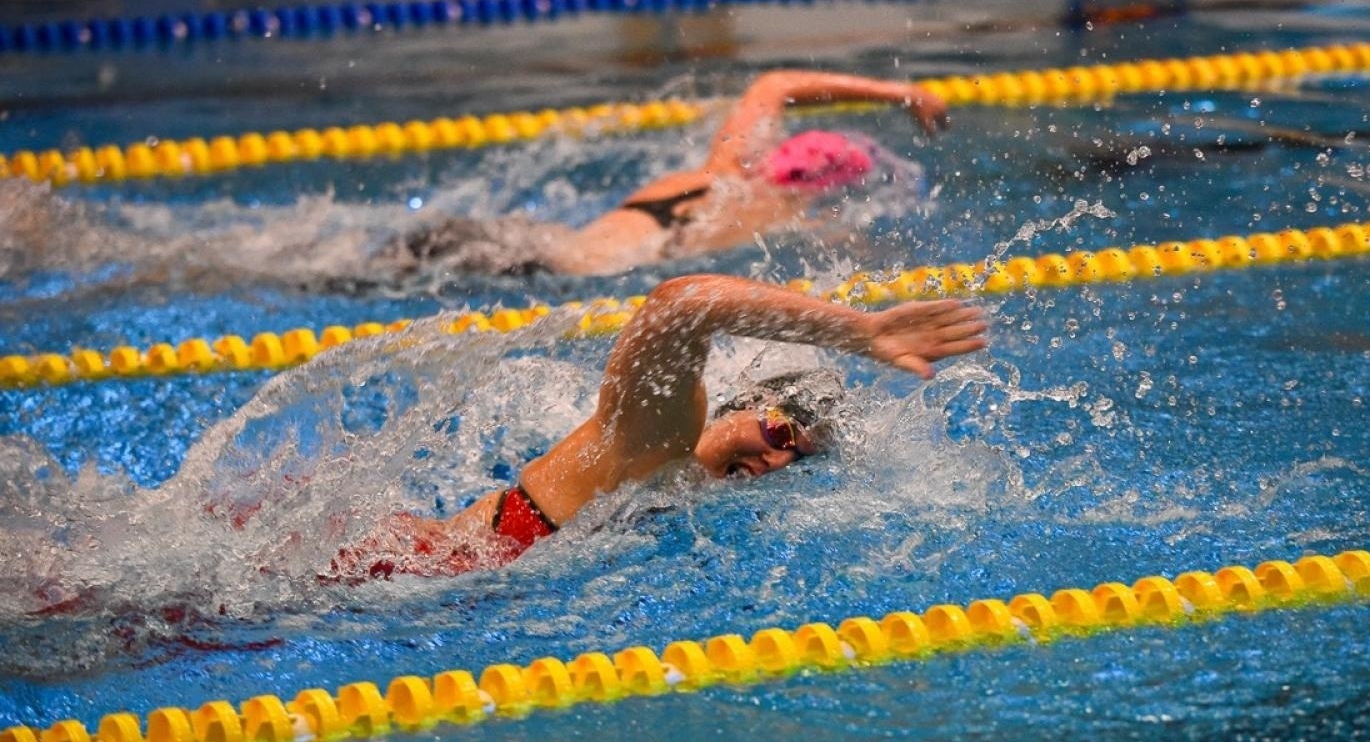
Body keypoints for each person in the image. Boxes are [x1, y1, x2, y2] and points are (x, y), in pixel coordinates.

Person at [324, 273, 987, 581]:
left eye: (800, 459)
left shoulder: (683, 491)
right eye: (783, 434)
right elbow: (681, 303)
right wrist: (861, 332)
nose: (780, 462)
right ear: (743, 405)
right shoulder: (656, 435)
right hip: (380, 571)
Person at [393, 70, 950, 277]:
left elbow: (774, 84)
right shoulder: (785, 218)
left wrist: (900, 91)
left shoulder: (726, 166)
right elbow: (869, 267)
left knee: (395, 259)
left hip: (543, 240)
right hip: (580, 271)